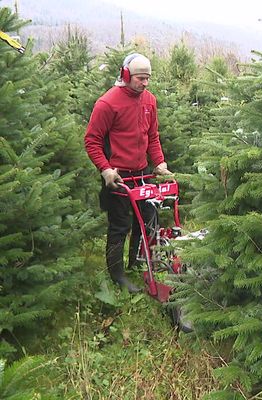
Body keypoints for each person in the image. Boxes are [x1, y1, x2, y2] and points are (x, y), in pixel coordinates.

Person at [84, 53, 172, 293]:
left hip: (141, 171)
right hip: (118, 175)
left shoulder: (149, 101)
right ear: (125, 75)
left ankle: (135, 262)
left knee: (145, 219)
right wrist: (105, 169)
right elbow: (91, 141)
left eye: (148, 78)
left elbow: (152, 136)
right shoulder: (107, 103)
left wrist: (160, 163)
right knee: (120, 224)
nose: (145, 83)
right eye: (140, 78)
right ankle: (117, 274)